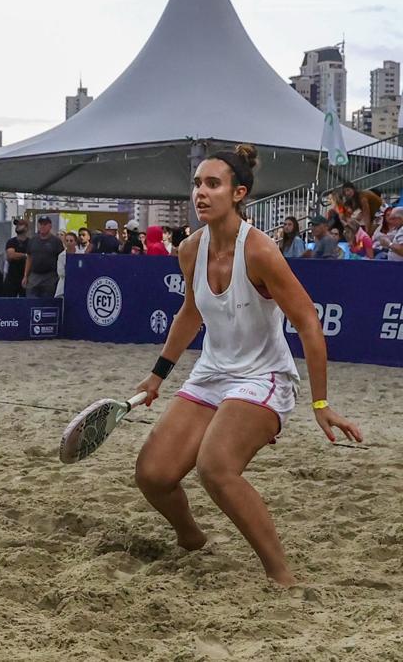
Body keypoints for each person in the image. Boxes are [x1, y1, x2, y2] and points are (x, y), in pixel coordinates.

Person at [132, 144, 361, 587]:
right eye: (197, 183)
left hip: (265, 377)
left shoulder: (259, 251)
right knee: (153, 474)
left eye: (212, 184)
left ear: (238, 193)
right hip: (213, 374)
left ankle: (282, 577)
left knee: (215, 468)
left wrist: (320, 402)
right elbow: (190, 313)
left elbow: (310, 325)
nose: (201, 192)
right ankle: (192, 540)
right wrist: (158, 375)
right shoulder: (190, 249)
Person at [22, 216, 64, 299]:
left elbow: (61, 258)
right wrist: (26, 275)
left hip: (50, 277)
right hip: (34, 276)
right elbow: (29, 258)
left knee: (47, 303)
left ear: (50, 226)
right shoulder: (32, 240)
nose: (42, 226)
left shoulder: (56, 241)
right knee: (31, 302)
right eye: (41, 224)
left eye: (45, 224)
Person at [54, 232, 78, 298]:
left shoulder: (81, 254)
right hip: (64, 284)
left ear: (75, 242)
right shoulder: (61, 256)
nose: (69, 243)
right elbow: (61, 273)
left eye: (71, 241)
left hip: (78, 284)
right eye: (67, 241)